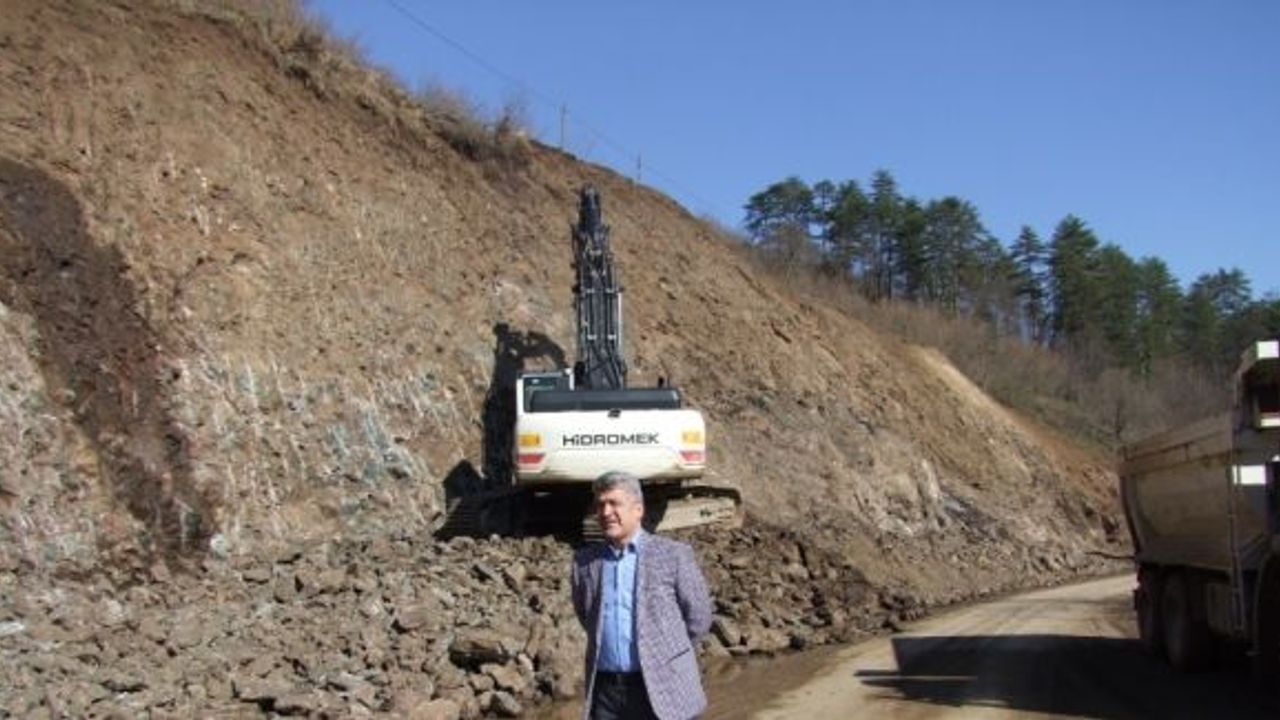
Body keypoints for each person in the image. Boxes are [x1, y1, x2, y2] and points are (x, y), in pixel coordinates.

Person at [571, 471, 713, 720]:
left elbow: (699, 617)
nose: (605, 512)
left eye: (614, 503)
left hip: (664, 686)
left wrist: (667, 652)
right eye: (600, 505)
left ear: (638, 510)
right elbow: (587, 616)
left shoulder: (673, 555)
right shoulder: (584, 563)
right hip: (606, 692)